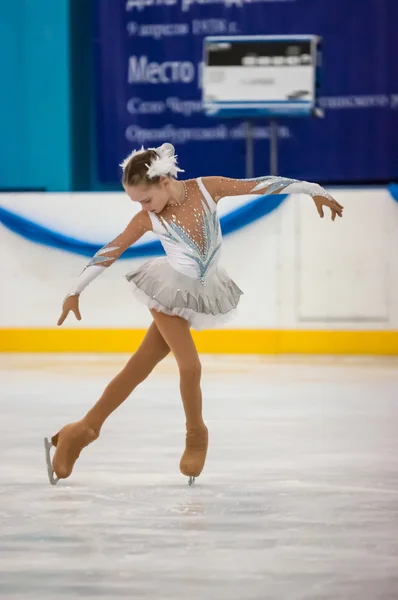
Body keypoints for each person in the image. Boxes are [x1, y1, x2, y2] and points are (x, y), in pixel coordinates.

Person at [44, 143, 344, 486]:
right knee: (190, 366)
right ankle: (196, 435)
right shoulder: (148, 218)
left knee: (138, 367)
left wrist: (313, 190)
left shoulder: (207, 188)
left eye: (145, 198)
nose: (142, 207)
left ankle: (80, 431)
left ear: (165, 181)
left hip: (200, 290)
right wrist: (74, 290)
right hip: (166, 290)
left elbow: (260, 184)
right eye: (136, 202)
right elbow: (110, 250)